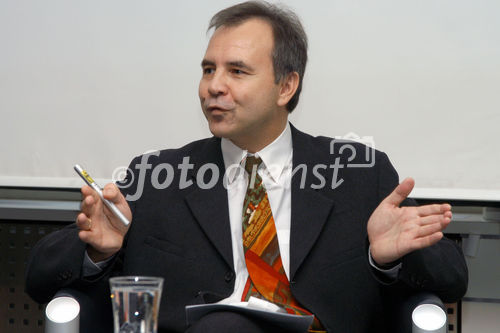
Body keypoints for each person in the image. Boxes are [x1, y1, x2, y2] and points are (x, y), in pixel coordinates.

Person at [25, 1, 468, 332]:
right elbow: (39, 276)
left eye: (237, 71)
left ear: (285, 86)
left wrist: (384, 260)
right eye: (207, 69)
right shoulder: (155, 175)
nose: (213, 87)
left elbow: (451, 280)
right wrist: (99, 250)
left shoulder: (358, 172)